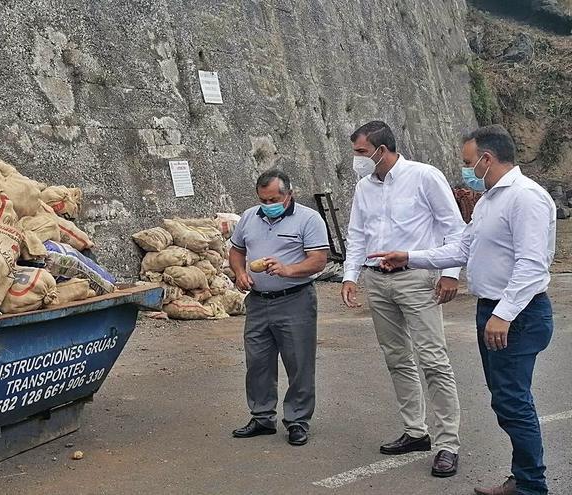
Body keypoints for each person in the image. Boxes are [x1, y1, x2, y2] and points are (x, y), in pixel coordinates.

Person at [370, 125, 555, 495]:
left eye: (469, 163)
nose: (466, 170)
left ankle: (532, 486)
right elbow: (460, 249)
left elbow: (532, 265)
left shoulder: (526, 198)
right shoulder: (488, 201)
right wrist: (410, 257)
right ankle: (523, 478)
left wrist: (503, 314)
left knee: (514, 403)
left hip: (517, 315)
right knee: (505, 400)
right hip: (493, 311)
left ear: (487, 159)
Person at [340, 121, 465, 477]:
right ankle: (415, 431)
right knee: (396, 357)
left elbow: (453, 228)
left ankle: (447, 444)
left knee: (433, 359)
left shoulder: (425, 177)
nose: (356, 160)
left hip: (415, 277)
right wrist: (351, 276)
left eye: (361, 153)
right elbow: (357, 233)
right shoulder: (364, 187)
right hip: (378, 280)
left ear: (382, 149)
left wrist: (450, 274)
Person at [228, 169, 329, 446]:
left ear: (289, 195)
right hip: (259, 302)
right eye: (264, 199)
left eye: (274, 198)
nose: (269, 204)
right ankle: (261, 417)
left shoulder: (309, 219)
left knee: (299, 363)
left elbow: (319, 259)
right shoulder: (249, 216)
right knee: (257, 362)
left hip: (295, 299)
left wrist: (288, 269)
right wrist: (239, 273)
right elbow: (236, 251)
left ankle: (297, 420)